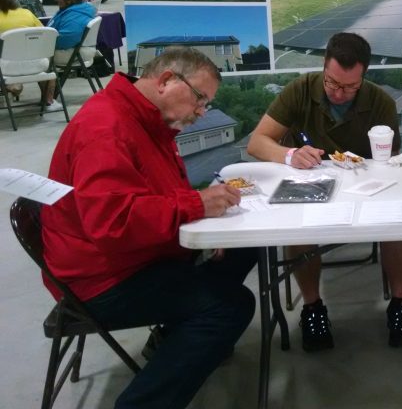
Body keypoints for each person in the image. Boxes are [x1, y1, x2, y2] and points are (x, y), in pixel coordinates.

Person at [41, 47, 256, 409]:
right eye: (200, 99)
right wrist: (196, 205)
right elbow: (113, 223)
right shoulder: (107, 129)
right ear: (167, 81)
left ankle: (171, 337)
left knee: (246, 245)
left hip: (129, 257)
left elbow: (152, 195)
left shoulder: (144, 119)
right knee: (230, 306)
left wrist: (204, 226)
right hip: (101, 280)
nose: (202, 112)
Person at [246, 32, 402, 350]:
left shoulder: (379, 101)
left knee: (397, 220)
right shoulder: (301, 89)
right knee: (298, 227)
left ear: (364, 77)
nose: (339, 93)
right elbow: (257, 142)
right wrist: (289, 155)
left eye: (350, 87)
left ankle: (400, 303)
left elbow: (388, 160)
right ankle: (313, 307)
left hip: (367, 186)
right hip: (311, 182)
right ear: (324, 68)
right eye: (332, 83)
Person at [40, 0, 98, 107]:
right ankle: (47, 98)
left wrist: (42, 44)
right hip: (71, 49)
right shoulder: (76, 10)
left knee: (36, 59)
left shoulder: (74, 15)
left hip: (69, 51)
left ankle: (49, 100)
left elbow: (66, 39)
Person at [0, 0, 46, 104]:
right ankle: (48, 101)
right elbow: (45, 37)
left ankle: (12, 86)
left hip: (5, 68)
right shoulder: (27, 13)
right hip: (37, 65)